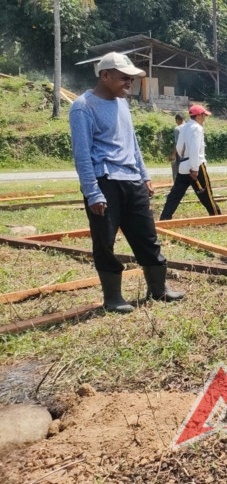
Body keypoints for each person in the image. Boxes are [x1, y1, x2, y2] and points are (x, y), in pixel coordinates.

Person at [69, 52, 185, 313]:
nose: (129, 83)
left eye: (131, 79)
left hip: (132, 180)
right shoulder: (82, 106)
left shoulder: (122, 103)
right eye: (124, 78)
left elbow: (132, 145)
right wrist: (92, 192)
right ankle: (113, 298)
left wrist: (144, 177)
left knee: (147, 237)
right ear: (105, 75)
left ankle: (158, 289)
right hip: (104, 181)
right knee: (105, 241)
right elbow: (82, 155)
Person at [159, 104, 221, 220]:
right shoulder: (197, 128)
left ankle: (164, 218)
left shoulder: (184, 127)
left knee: (174, 195)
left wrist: (185, 161)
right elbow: (195, 149)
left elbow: (178, 147)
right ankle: (217, 217)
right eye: (204, 116)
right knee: (206, 194)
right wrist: (194, 169)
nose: (204, 118)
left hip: (183, 166)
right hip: (196, 164)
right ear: (198, 116)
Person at [168, 112, 185, 181]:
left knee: (176, 169)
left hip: (180, 152)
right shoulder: (189, 127)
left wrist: (173, 155)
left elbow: (177, 142)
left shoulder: (177, 129)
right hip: (188, 153)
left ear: (178, 120)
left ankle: (176, 184)